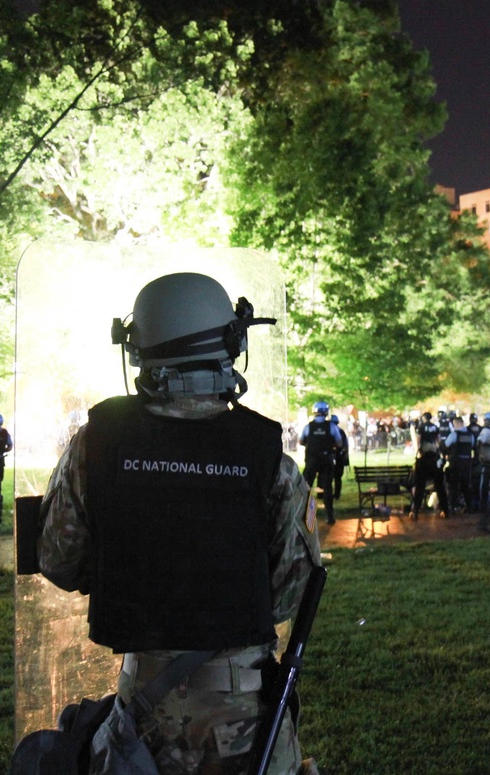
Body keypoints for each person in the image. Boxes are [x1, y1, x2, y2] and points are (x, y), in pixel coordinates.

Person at [37, 271, 322, 775]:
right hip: (248, 727)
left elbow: (60, 562)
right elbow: (285, 595)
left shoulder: (96, 445)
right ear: (231, 344)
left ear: (138, 352)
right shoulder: (268, 457)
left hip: (141, 726)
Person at [299, 400, 344, 526]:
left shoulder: (308, 426)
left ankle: (303, 516)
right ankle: (329, 516)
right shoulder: (332, 426)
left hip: (312, 459)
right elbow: (339, 443)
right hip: (326, 459)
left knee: (306, 487)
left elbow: (301, 441)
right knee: (327, 488)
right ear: (326, 412)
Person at [411, 412, 447, 520]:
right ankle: (445, 510)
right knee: (440, 486)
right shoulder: (435, 427)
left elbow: (418, 441)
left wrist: (418, 452)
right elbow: (439, 441)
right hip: (435, 459)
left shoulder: (421, 427)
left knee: (420, 486)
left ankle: (415, 510)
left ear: (424, 418)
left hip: (424, 459)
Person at [444, 416, 477, 512]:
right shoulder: (471, 435)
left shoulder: (454, 434)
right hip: (467, 463)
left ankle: (452, 506)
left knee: (453, 485)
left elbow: (446, 445)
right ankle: (469, 506)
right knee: (466, 485)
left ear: (458, 424)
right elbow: (473, 447)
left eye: (454, 425)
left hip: (456, 463)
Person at [330, 414, 349, 502]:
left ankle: (334, 494)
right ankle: (336, 494)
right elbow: (345, 446)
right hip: (338, 457)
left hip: (335, 456)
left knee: (333, 477)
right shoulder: (340, 432)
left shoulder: (332, 431)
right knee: (337, 478)